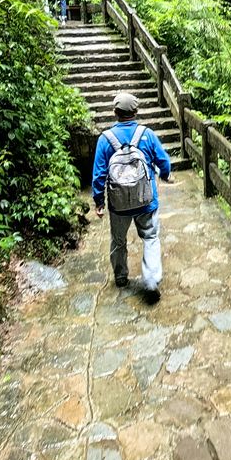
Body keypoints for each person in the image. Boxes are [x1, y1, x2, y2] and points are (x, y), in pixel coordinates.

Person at [92, 91, 171, 304]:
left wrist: (99, 201)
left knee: (118, 240)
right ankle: (151, 279)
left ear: (115, 112)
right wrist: (164, 175)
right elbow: (163, 161)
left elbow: (99, 174)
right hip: (146, 200)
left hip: (118, 204)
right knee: (151, 237)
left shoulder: (105, 139)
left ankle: (120, 277)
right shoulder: (146, 134)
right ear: (136, 112)